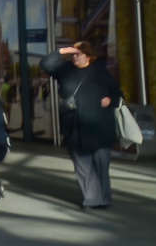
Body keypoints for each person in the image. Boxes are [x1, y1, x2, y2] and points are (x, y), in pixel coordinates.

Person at [42, 40, 124, 209]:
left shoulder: (101, 73)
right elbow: (45, 63)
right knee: (83, 167)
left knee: (101, 166)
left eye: (78, 54)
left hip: (100, 127)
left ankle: (104, 198)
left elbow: (117, 93)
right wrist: (64, 50)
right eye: (73, 54)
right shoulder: (64, 70)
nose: (75, 57)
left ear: (89, 56)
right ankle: (92, 199)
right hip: (75, 127)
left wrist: (110, 100)